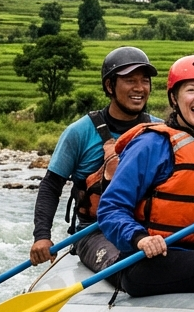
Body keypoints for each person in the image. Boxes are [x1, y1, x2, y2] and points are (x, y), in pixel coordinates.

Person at [95, 55, 194, 298]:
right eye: (191, 90)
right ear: (174, 98)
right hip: (148, 261)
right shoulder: (150, 145)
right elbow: (111, 208)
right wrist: (139, 238)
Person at [30, 46, 159, 272]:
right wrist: (42, 236)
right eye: (130, 80)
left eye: (145, 81)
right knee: (130, 266)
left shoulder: (160, 130)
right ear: (110, 86)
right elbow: (51, 185)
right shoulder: (80, 132)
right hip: (94, 231)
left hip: (147, 227)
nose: (139, 88)